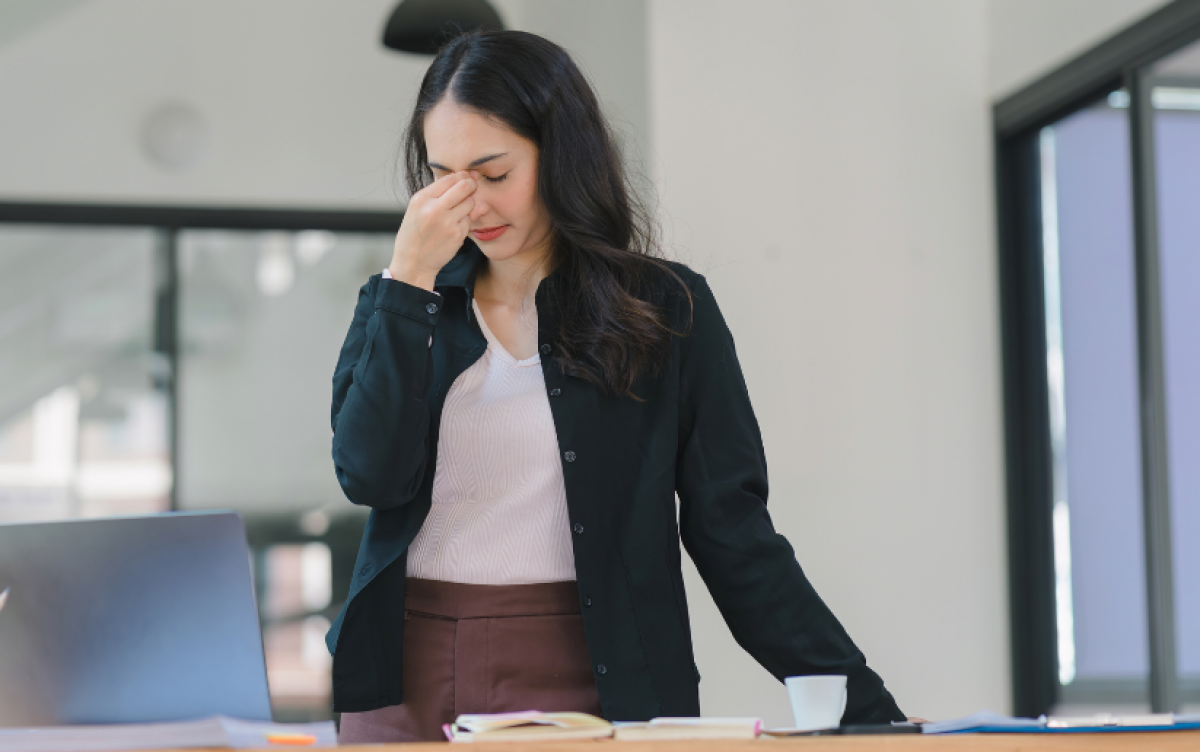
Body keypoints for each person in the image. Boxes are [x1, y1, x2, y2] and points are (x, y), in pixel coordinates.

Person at [326, 29, 905, 744]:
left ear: (560, 154)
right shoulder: (398, 304)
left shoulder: (665, 310)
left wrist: (871, 714)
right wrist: (408, 279)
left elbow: (734, 535)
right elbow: (369, 475)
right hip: (404, 670)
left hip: (595, 670)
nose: (469, 204)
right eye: (444, 176)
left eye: (494, 172)